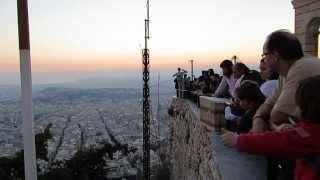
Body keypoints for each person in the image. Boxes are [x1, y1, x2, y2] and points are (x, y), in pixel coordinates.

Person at [221, 75, 320, 180]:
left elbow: (277, 141)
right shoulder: (309, 131)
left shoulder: (311, 134)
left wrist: (238, 140)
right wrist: (292, 128)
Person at [251, 30, 320, 132]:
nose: (264, 60)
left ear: (275, 56)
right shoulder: (285, 73)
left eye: (265, 55)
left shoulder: (301, 68)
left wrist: (268, 122)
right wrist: (258, 118)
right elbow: (267, 104)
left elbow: (277, 116)